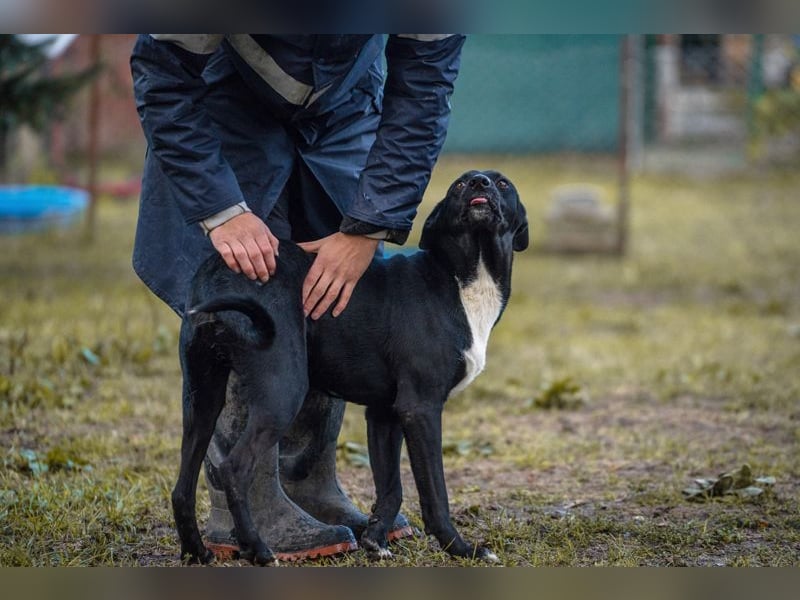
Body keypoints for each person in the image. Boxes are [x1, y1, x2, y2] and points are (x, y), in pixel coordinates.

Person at [131, 33, 465, 558]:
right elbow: (164, 74)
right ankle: (245, 500)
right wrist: (221, 208)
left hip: (343, 107)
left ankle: (308, 481)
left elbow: (425, 86)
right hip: (228, 101)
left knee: (334, 287)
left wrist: (368, 226)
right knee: (252, 290)